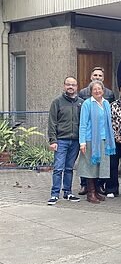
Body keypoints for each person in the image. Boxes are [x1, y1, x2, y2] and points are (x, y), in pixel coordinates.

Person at [78, 66, 116, 195]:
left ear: (103, 90)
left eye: (99, 89)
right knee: (90, 167)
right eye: (95, 89)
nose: (97, 91)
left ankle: (97, 190)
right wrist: (82, 142)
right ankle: (91, 192)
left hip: (104, 139)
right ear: (91, 91)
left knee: (100, 166)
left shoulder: (106, 103)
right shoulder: (87, 104)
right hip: (90, 140)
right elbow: (83, 124)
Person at [47, 76, 83, 205]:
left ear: (77, 86)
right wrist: (53, 140)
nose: (70, 87)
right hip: (61, 140)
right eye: (68, 84)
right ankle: (54, 194)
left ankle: (67, 192)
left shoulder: (81, 102)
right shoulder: (57, 102)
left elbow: (84, 123)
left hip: (75, 141)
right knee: (58, 168)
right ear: (64, 86)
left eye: (73, 84)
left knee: (69, 168)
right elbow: (52, 122)